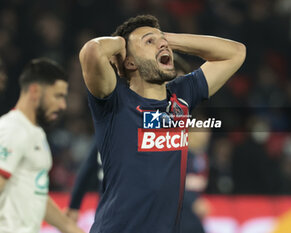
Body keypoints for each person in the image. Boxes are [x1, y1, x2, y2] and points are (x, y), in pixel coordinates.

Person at [79, 14, 245, 233]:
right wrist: (122, 43)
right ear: (129, 62)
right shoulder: (115, 101)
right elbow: (92, 51)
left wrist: (167, 39)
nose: (162, 44)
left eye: (162, 41)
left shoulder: (183, 95)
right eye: (149, 41)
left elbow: (236, 53)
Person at [0, 58, 85, 233]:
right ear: (35, 91)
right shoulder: (11, 129)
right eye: (58, 96)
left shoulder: (35, 133)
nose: (62, 105)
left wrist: (70, 228)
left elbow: (35, 192)